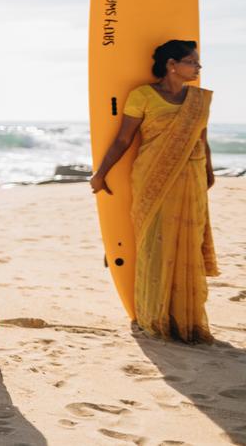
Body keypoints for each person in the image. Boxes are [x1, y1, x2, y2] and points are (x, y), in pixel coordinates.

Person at [90, 39, 218, 343]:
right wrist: (101, 173)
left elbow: (202, 138)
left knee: (188, 246)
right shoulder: (143, 96)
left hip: (192, 179)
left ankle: (185, 319)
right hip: (153, 179)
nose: (198, 67)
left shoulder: (199, 99)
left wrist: (209, 171)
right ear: (171, 65)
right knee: (156, 246)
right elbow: (123, 140)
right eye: (192, 61)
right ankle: (155, 317)